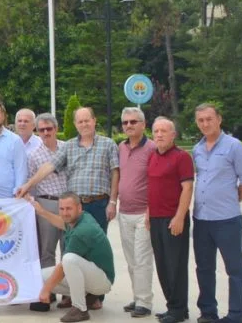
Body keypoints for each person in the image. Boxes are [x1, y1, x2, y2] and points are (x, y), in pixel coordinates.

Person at [192, 103, 242, 323]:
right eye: (201, 120)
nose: (205, 124)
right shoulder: (197, 149)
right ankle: (208, 312)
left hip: (227, 220)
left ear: (219, 119)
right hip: (201, 219)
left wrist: (230, 201)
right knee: (204, 268)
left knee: (234, 270)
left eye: (209, 119)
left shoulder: (234, 146)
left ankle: (235, 316)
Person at [19, 106, 120, 232]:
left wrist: (113, 202)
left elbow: (115, 173)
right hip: (75, 205)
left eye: (87, 120)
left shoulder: (108, 144)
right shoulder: (69, 146)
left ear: (94, 120)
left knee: (97, 240)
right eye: (80, 122)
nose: (84, 124)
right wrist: (27, 186)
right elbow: (49, 166)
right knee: (74, 240)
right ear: (75, 124)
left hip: (99, 204)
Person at [31, 192, 115, 322]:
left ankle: (80, 309)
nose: (65, 213)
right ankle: (87, 297)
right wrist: (42, 212)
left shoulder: (83, 230)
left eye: (69, 208)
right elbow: (61, 222)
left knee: (69, 259)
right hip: (91, 275)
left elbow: (63, 267)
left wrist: (46, 290)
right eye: (62, 209)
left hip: (102, 281)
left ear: (79, 208)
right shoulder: (79, 218)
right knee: (40, 277)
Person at [148, 117, 194, 323]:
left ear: (173, 135)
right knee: (162, 265)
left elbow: (187, 188)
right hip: (155, 218)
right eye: (156, 131)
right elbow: (152, 187)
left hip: (173, 218)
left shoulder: (181, 157)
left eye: (164, 131)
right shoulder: (152, 156)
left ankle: (178, 309)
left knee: (176, 265)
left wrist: (179, 217)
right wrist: (148, 213)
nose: (159, 135)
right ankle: (173, 306)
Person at [116, 107, 154, 318]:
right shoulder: (121, 147)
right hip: (124, 212)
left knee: (142, 259)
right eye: (125, 122)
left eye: (133, 121)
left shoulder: (152, 148)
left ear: (143, 124)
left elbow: (156, 181)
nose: (129, 125)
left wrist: (150, 210)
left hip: (143, 214)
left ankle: (145, 302)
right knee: (131, 260)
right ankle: (138, 296)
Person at [27, 112, 68, 311]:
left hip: (67, 204)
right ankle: (48, 292)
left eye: (49, 129)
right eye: (41, 130)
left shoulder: (67, 148)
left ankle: (68, 293)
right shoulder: (34, 155)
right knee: (47, 251)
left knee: (69, 250)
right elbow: (31, 183)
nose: (45, 133)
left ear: (56, 129)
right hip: (47, 202)